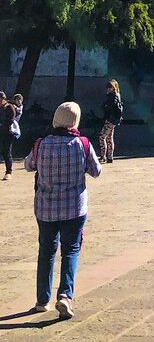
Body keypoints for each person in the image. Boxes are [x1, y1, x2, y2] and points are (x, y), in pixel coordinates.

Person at [24, 101, 101, 318]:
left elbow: (29, 165)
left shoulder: (41, 144)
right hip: (74, 209)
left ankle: (42, 300)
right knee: (70, 251)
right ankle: (65, 296)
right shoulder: (82, 144)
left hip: (45, 208)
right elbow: (96, 171)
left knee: (46, 252)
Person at [99, 80, 124, 163]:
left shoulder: (112, 96)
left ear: (114, 88)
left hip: (110, 119)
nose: (108, 89)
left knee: (102, 137)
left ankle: (103, 156)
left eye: (110, 87)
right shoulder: (117, 95)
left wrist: (105, 107)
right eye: (108, 87)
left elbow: (109, 107)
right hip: (114, 120)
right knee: (109, 138)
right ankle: (110, 157)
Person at [0, 92, 16, 181]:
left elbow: (11, 120)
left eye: (0, 99)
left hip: (7, 133)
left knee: (6, 152)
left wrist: (2, 124)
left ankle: (8, 172)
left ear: (4, 99)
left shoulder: (10, 107)